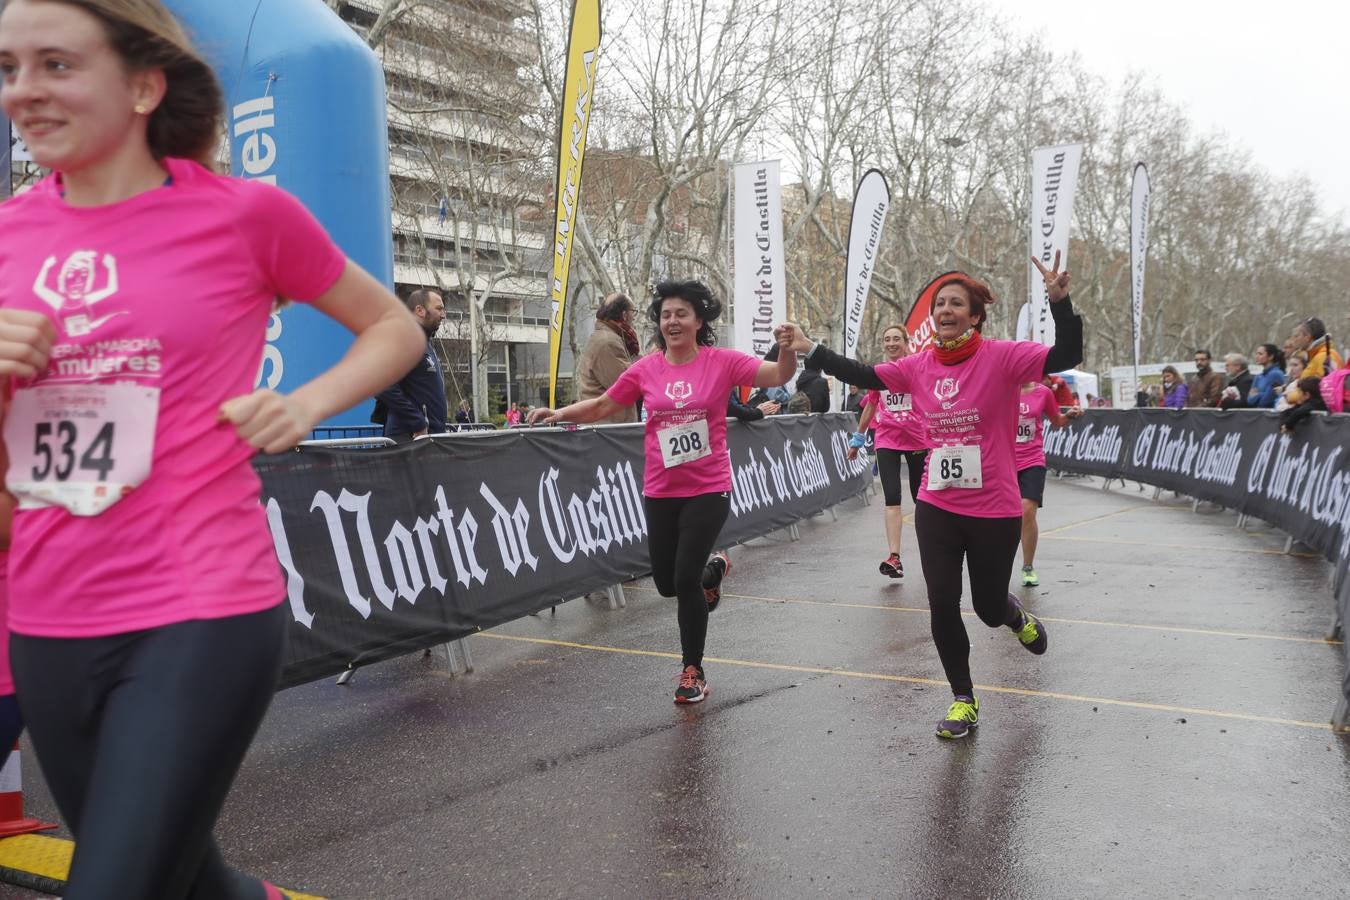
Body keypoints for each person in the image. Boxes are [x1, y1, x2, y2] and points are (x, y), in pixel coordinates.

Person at [0, 3, 426, 897]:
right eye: (8, 69)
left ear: (145, 84)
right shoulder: (8, 236)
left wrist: (307, 401)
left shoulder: (244, 218)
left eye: (55, 65)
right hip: (47, 615)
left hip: (199, 604)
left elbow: (391, 328)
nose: (24, 92)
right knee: (182, 878)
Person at [776, 254, 1083, 739]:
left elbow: (1066, 355)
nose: (945, 310)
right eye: (940, 303)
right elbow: (864, 374)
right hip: (938, 505)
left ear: (975, 315)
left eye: (956, 303)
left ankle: (1013, 615)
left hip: (994, 508)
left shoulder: (1002, 357)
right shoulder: (916, 366)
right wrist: (810, 347)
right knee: (941, 601)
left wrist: (1060, 303)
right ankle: (963, 698)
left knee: (985, 606)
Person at [529, 280, 796, 704]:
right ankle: (715, 571)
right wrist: (558, 413)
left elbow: (779, 374)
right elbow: (603, 405)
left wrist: (787, 347)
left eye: (681, 314)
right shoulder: (646, 368)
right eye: (665, 314)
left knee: (684, 579)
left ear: (699, 320)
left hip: (708, 487)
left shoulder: (721, 362)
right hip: (660, 488)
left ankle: (693, 670)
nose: (672, 321)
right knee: (668, 585)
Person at [845, 325, 927, 579]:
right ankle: (894, 557)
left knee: (921, 498)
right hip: (887, 439)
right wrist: (858, 439)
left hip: (917, 440)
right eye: (886, 339)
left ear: (906, 341)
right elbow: (871, 404)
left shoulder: (918, 368)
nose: (891, 343)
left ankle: (932, 552)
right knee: (892, 496)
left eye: (896, 339)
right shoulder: (879, 374)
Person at [1015, 381, 1082, 586]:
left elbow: (1057, 421)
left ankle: (1028, 566)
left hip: (1032, 460)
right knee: (1004, 517)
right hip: (1004, 460)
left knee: (1027, 510)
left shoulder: (1043, 392)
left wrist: (1069, 415)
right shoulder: (1001, 387)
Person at [374, 288, 449, 440]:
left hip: (426, 438)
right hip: (410, 439)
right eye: (439, 309)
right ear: (420, 310)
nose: (443, 315)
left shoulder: (424, 343)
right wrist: (418, 422)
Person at [577, 291, 640, 423]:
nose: (634, 317)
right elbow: (626, 386)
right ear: (624, 315)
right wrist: (650, 363)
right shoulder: (608, 341)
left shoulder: (607, 337)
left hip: (607, 425)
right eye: (633, 311)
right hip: (610, 429)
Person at [1246, 344, 1286, 409]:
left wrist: (1258, 394)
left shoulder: (1276, 374)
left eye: (1260, 354)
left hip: (1269, 415)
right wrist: (1262, 394)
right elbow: (1249, 401)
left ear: (1270, 357)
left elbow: (1266, 401)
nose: (1256, 356)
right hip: (1258, 414)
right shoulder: (1258, 376)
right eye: (1256, 354)